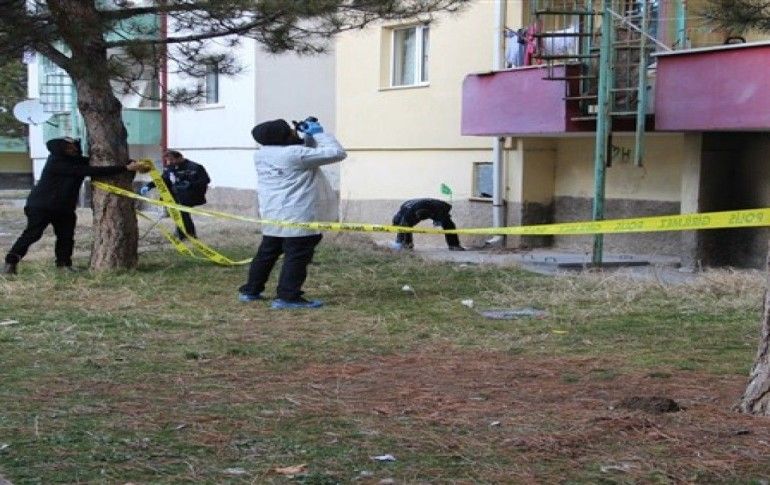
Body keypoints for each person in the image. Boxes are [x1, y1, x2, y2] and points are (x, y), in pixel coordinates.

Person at [238, 117, 346, 309]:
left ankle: (251, 290)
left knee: (267, 253)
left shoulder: (262, 154)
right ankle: (288, 297)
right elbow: (337, 153)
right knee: (297, 255)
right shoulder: (294, 154)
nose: (293, 132)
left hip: (272, 213)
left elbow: (307, 155)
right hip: (297, 214)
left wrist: (307, 137)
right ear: (281, 136)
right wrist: (319, 134)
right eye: (289, 130)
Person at [2, 137, 149, 274]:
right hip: (42, 206)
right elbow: (93, 171)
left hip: (64, 208)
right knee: (32, 234)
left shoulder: (76, 160)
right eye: (68, 147)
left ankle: (64, 265)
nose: (72, 149)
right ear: (60, 149)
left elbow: (102, 164)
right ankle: (10, 262)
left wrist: (131, 164)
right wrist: (125, 168)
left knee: (66, 236)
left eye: (73, 146)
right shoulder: (57, 162)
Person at [138, 150, 210, 240]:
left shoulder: (195, 167)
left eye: (171, 159)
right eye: (168, 160)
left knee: (182, 213)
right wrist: (149, 186)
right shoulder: (169, 167)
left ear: (180, 157)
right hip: (174, 194)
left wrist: (191, 184)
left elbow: (205, 180)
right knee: (178, 214)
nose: (169, 162)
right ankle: (183, 233)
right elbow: (163, 179)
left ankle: (187, 235)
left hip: (189, 195)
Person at [391, 198, 465, 251]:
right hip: (413, 207)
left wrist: (439, 219)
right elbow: (403, 226)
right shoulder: (407, 212)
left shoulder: (440, 207)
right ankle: (406, 244)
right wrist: (400, 242)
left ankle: (454, 245)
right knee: (405, 225)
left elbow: (447, 208)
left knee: (448, 223)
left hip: (433, 207)